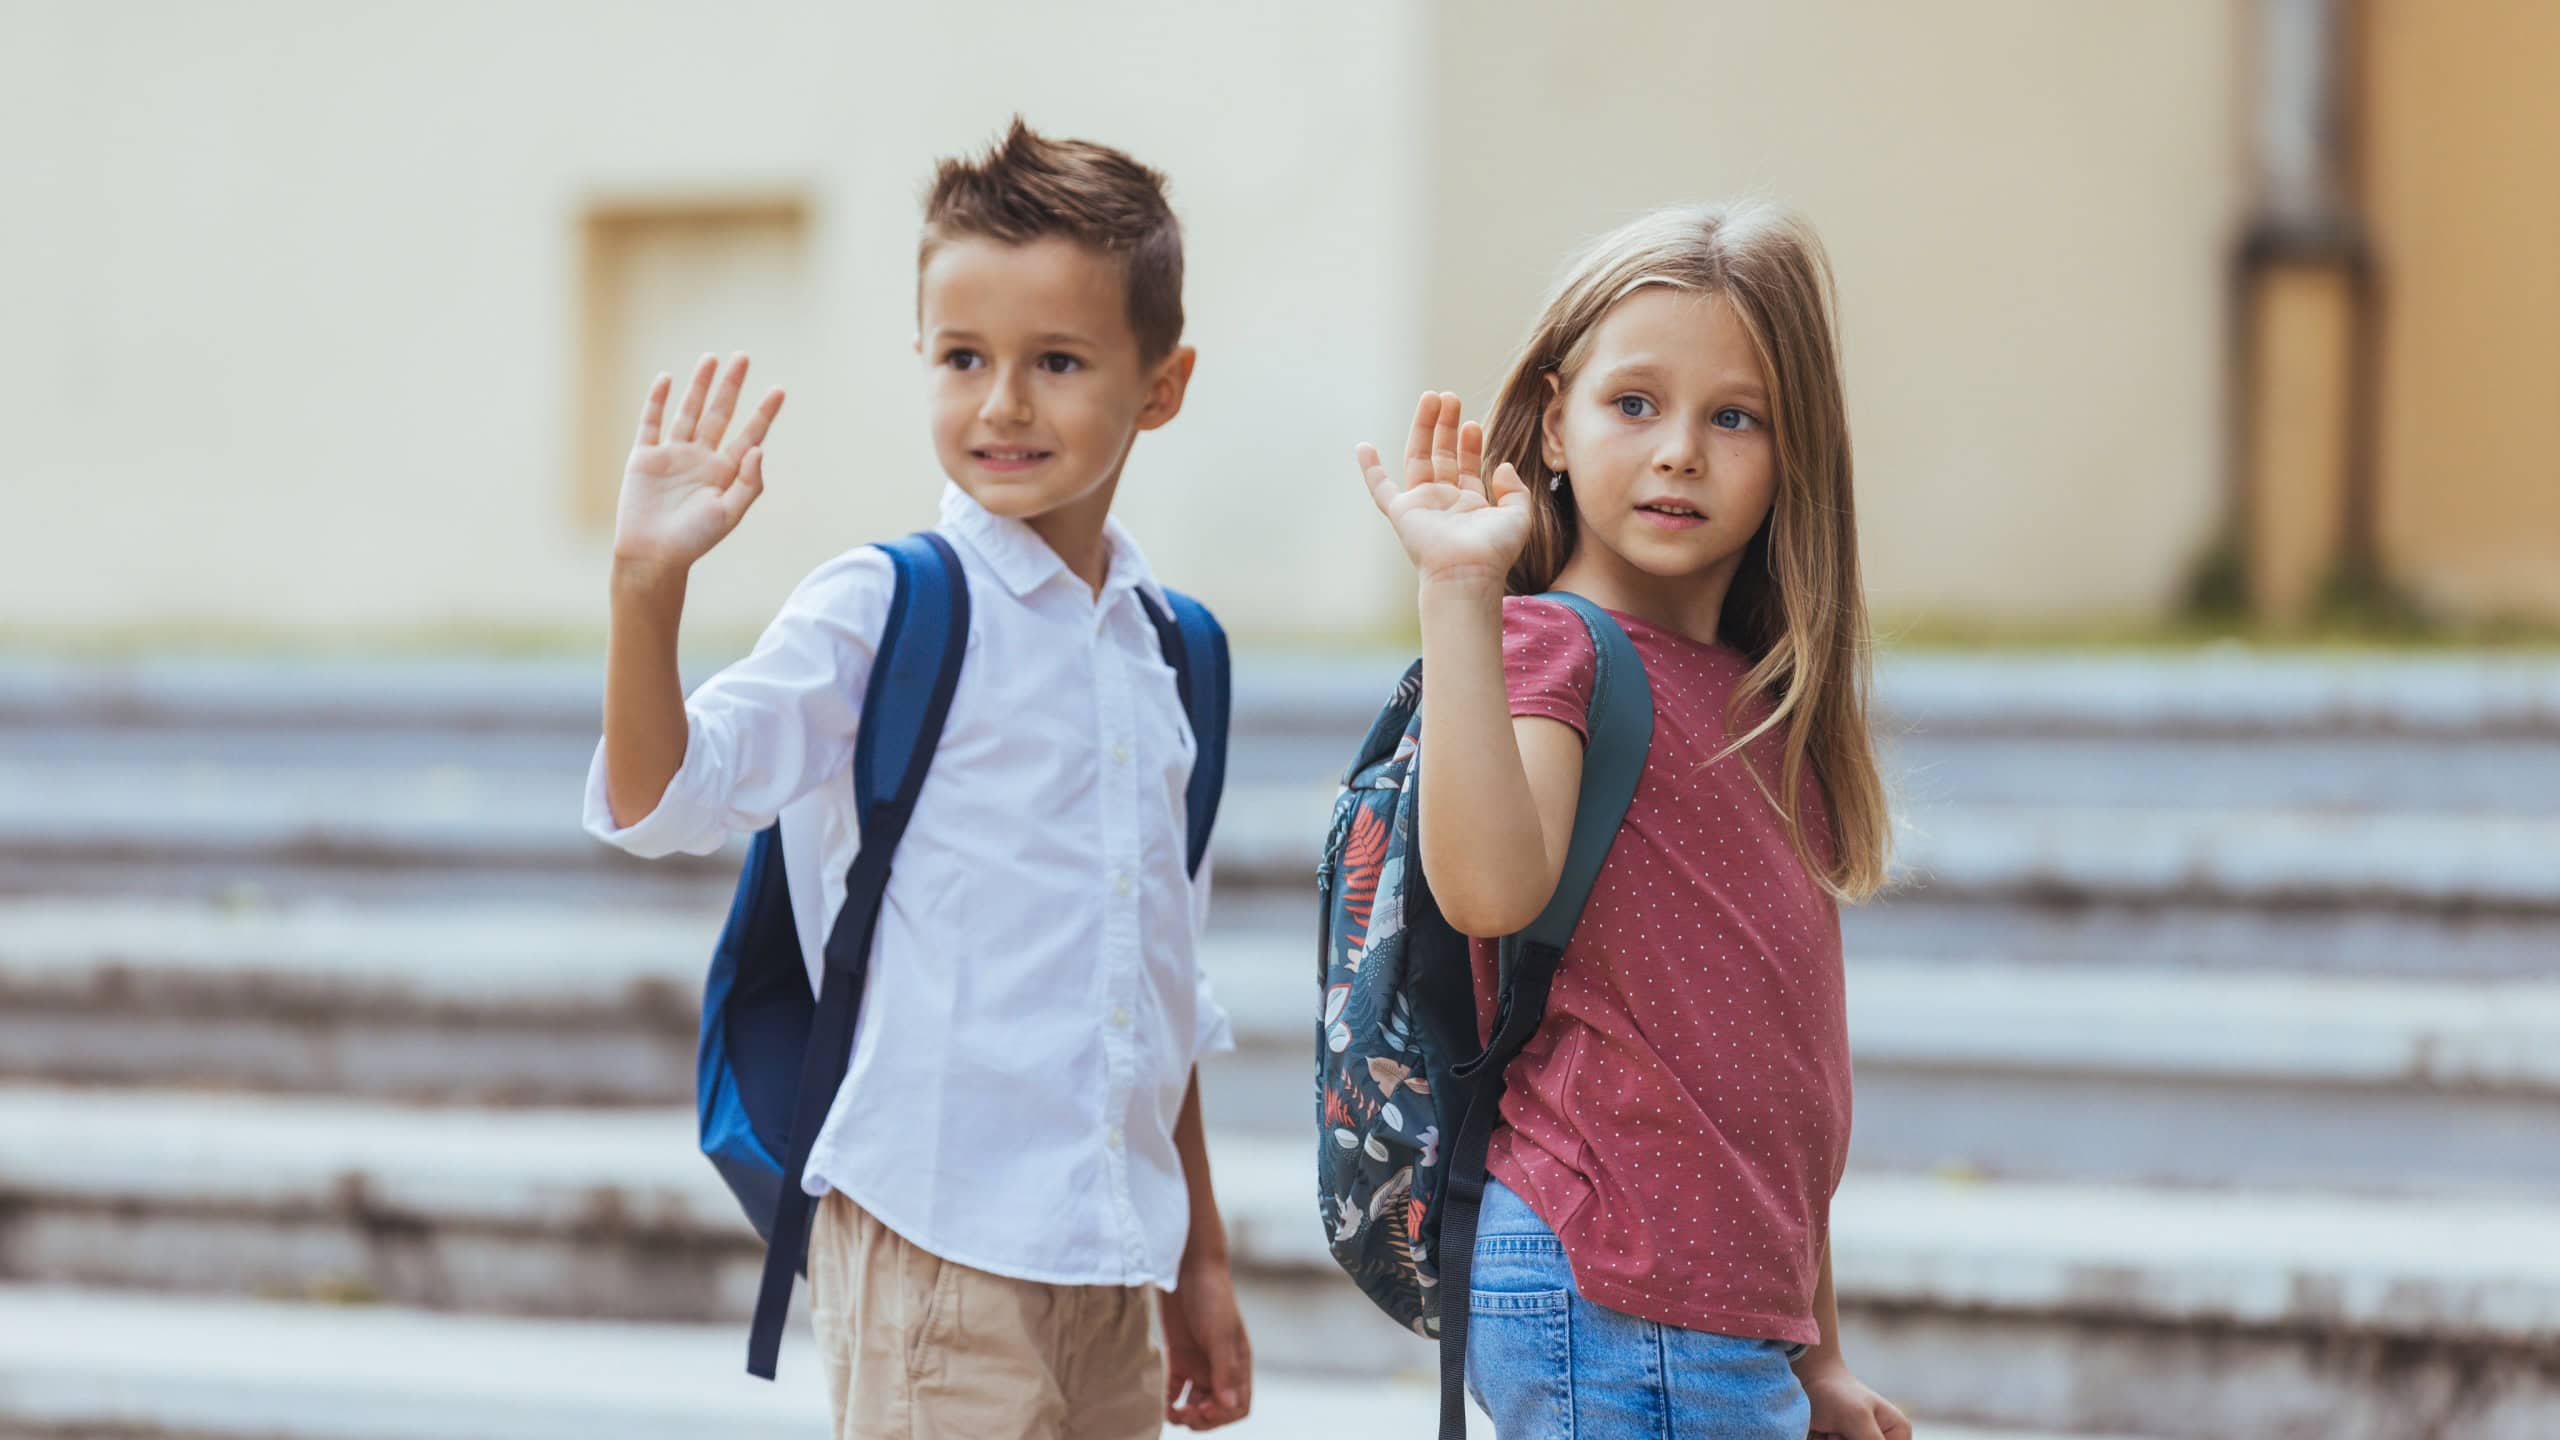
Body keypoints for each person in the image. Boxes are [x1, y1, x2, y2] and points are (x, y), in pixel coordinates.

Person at [586, 118, 1252, 1438]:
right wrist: (646, 590)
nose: (1001, 404)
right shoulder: (884, 608)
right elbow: (665, 801)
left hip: (1113, 1258)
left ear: (1160, 386)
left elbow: (1157, 991)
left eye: (1056, 362)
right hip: (935, 1240)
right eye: (964, 358)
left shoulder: (1173, 651)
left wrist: (1201, 1258)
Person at [1355, 200, 1909, 1440]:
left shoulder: (1764, 702)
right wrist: (1461, 590)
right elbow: (1488, 890)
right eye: (1634, 404)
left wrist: (1814, 1352)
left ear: (1794, 453)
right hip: (1613, 1277)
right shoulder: (1556, 648)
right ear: (1552, 423)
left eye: (1734, 417)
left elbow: (1783, 1078)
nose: (1678, 453)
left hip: (1710, 1310)